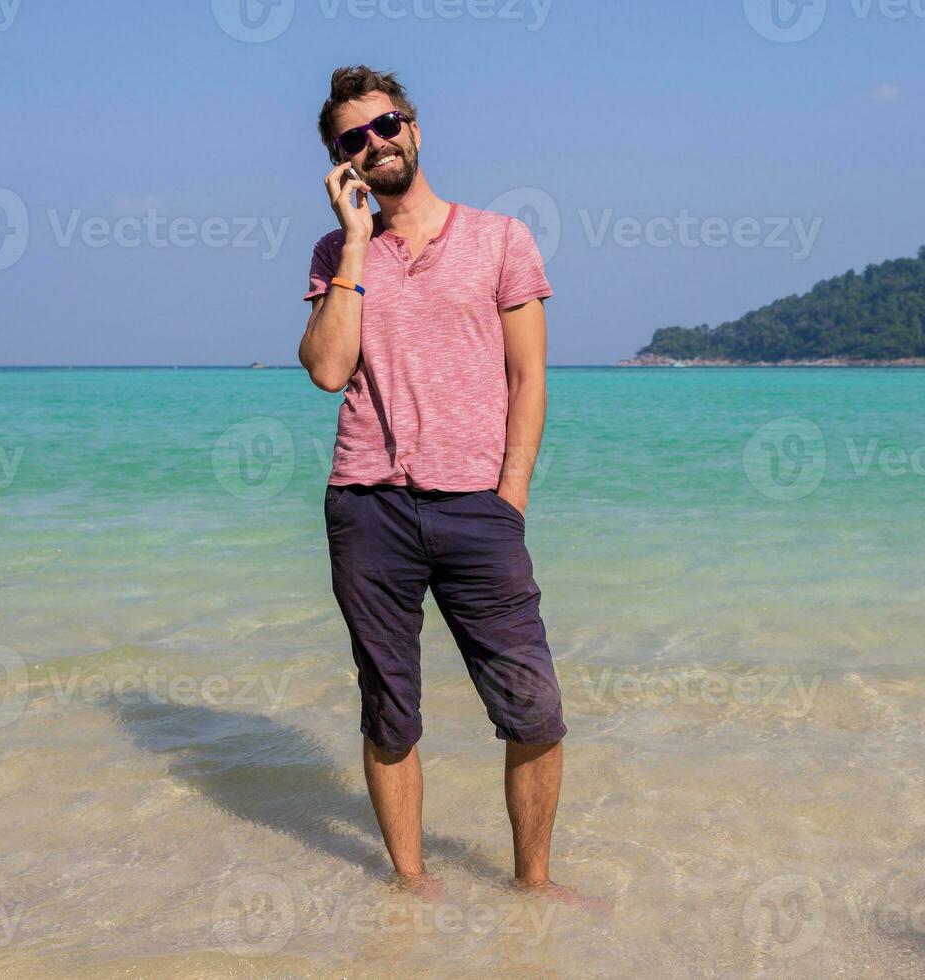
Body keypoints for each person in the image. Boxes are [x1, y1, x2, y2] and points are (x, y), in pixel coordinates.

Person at [298, 65, 567, 893]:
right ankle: (410, 888)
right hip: (368, 508)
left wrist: (509, 498)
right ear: (341, 161)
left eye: (386, 125)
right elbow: (327, 368)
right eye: (354, 139)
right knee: (390, 712)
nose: (375, 143)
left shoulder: (499, 239)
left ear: (414, 127)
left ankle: (533, 888)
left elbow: (530, 381)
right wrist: (351, 242)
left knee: (535, 710)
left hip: (479, 509)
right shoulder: (336, 252)